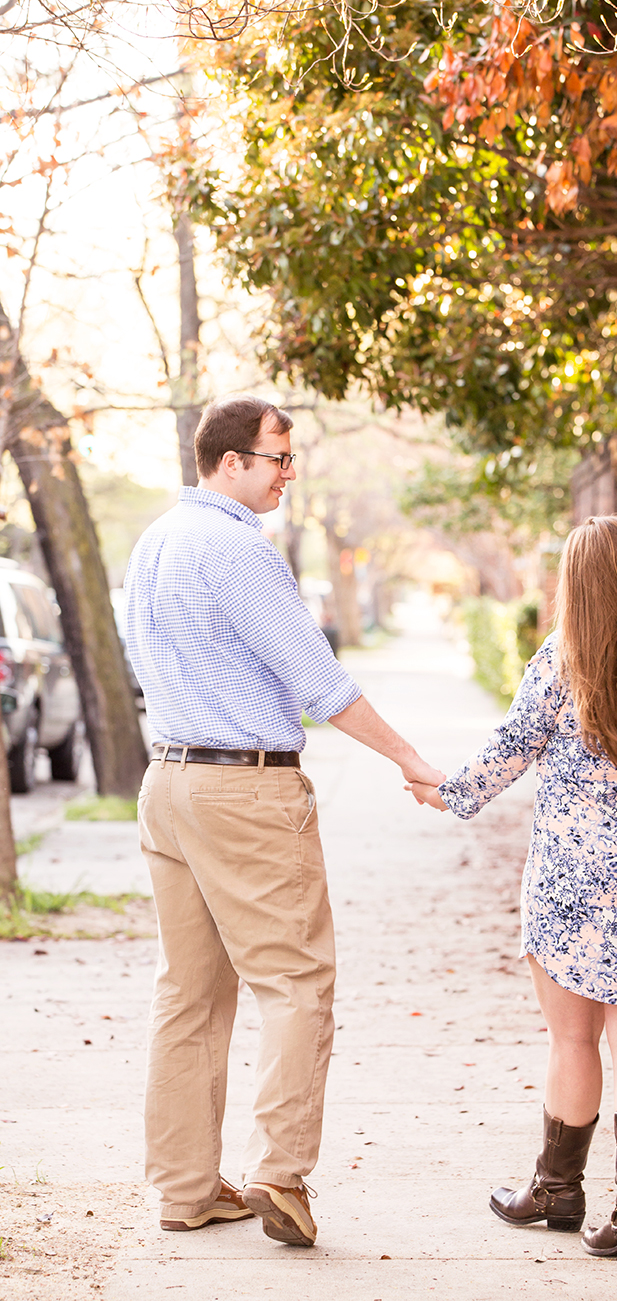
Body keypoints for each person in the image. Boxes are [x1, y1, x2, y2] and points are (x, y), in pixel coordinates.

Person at [123, 395, 442, 1247]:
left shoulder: (154, 543)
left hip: (169, 785)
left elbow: (141, 660)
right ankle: (279, 1175)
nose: (289, 475)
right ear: (232, 463)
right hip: (246, 793)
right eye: (279, 459)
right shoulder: (239, 550)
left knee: (187, 995)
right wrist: (410, 758)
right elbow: (319, 680)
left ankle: (186, 1190)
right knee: (297, 985)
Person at [407, 515, 617, 1267]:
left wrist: (447, 793)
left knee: (571, 1038)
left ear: (576, 588)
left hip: (569, 888)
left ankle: (557, 1189)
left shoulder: (561, 661)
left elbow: (510, 750)